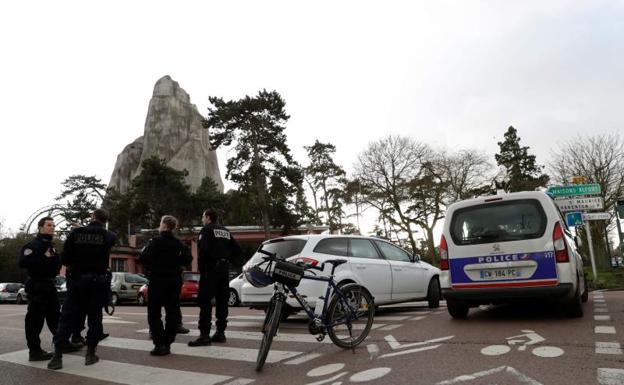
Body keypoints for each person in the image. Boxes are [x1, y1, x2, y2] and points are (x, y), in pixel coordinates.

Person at [48, 209, 117, 370]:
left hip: (77, 281)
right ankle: (90, 354)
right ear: (105, 220)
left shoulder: (75, 234)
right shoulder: (110, 236)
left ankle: (57, 356)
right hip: (97, 282)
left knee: (67, 317)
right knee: (95, 317)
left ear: (92, 217)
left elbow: (65, 258)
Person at [139, 215, 192, 356]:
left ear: (165, 226)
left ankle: (159, 343)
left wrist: (153, 267)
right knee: (172, 312)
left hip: (157, 280)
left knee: (154, 313)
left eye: (160, 223)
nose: (159, 225)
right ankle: (167, 343)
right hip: (174, 280)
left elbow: (143, 258)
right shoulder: (179, 243)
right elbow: (188, 259)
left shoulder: (155, 241)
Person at [188, 209, 240, 347]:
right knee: (222, 301)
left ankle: (204, 335)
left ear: (208, 218)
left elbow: (203, 250)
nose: (201, 219)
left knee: (205, 301)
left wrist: (203, 268)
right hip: (224, 270)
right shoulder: (225, 231)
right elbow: (237, 249)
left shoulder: (206, 230)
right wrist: (227, 260)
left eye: (203, 216)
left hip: (210, 270)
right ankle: (220, 333)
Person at [18, 217, 61, 361]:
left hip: (49, 285)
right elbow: (23, 262)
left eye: (53, 225)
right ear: (40, 227)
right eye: (49, 225)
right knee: (34, 321)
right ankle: (35, 351)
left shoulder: (51, 246)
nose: (52, 227)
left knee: (56, 318)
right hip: (37, 285)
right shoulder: (33, 245)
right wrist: (45, 258)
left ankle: (61, 344)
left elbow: (56, 264)